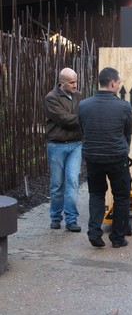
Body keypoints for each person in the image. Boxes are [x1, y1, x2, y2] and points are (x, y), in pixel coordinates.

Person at [78, 67, 132, 248]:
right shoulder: (124, 106)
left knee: (96, 194)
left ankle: (94, 232)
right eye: (118, 83)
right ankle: (117, 238)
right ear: (112, 83)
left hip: (93, 158)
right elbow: (128, 132)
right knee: (122, 196)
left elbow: (83, 129)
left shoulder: (84, 105)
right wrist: (125, 149)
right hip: (117, 158)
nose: (119, 86)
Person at [44, 67, 83, 232]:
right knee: (57, 184)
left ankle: (71, 219)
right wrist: (83, 118)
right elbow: (64, 120)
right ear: (62, 83)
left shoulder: (79, 96)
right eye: (71, 82)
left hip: (75, 144)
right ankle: (55, 217)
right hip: (57, 145)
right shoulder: (51, 98)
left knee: (73, 182)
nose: (75, 85)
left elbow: (77, 117)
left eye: (76, 81)